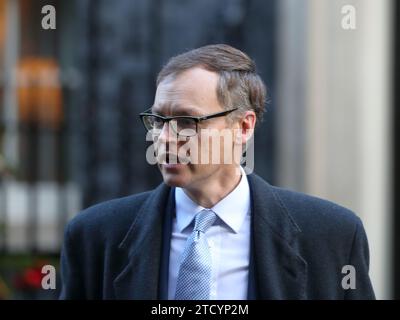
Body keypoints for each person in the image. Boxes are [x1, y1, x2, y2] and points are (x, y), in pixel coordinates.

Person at [59, 44, 375, 299]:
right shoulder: (94, 237)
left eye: (187, 121)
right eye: (158, 121)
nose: (164, 139)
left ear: (243, 126)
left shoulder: (332, 236)